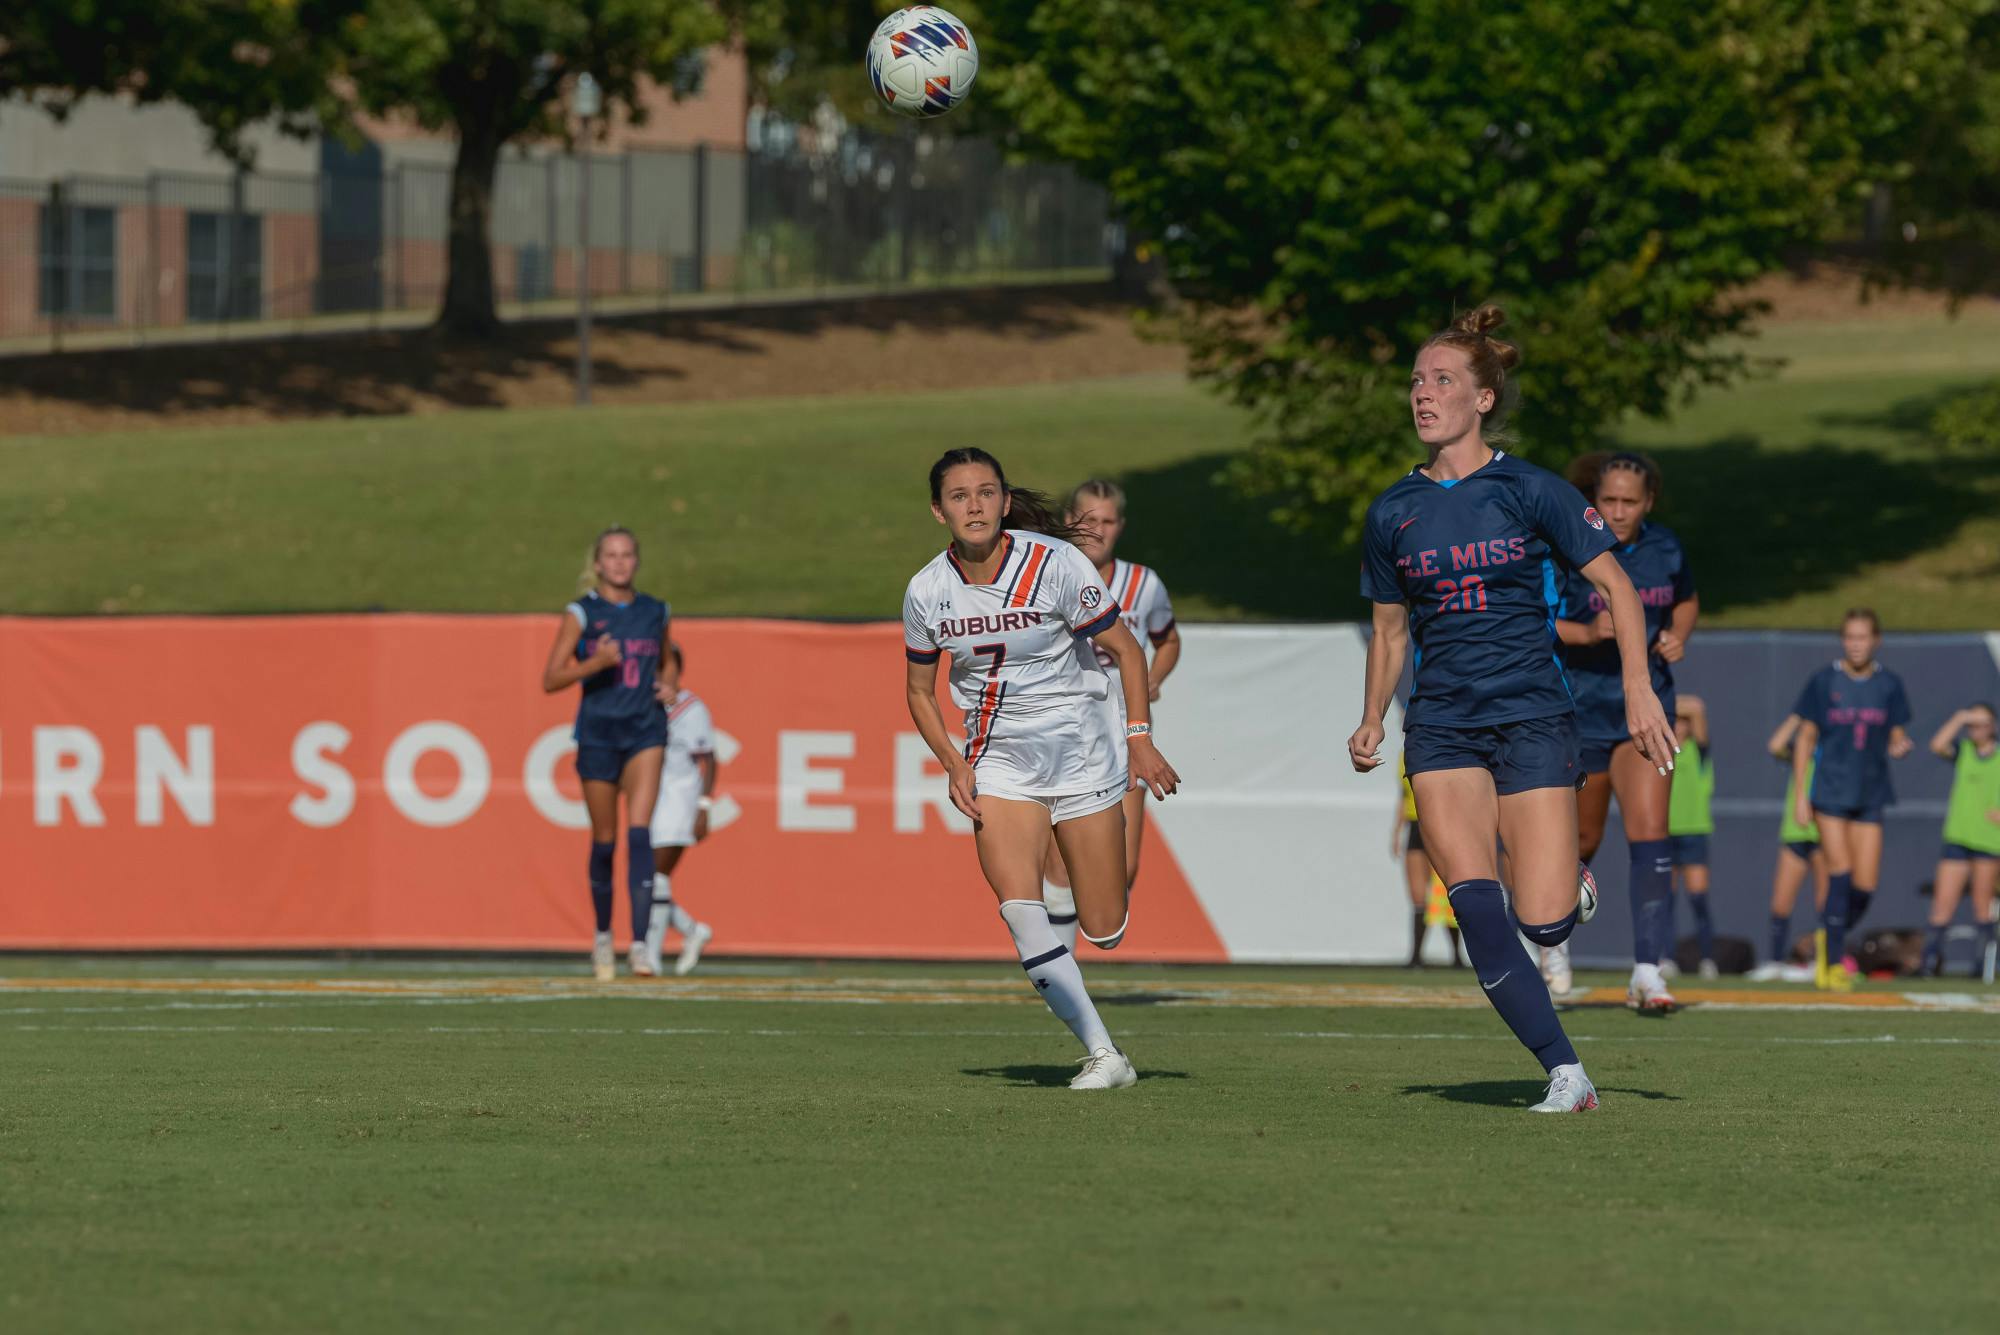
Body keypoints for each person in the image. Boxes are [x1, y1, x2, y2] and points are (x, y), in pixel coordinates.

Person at [1349, 305, 1676, 1115]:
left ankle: (1567, 892)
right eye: (1417, 380)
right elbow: (1389, 631)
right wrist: (1372, 716)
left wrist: (1638, 687)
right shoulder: (1392, 511)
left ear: (1484, 398)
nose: (1424, 393)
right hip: (1442, 725)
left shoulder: (1532, 488)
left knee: (1546, 920)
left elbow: (1618, 587)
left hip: (1532, 714)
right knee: (1476, 906)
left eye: (1443, 380)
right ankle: (1566, 1072)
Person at [903, 447, 1181, 1091]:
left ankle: (1076, 908)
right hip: (1001, 762)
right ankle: (1104, 1054)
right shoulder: (926, 590)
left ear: (1005, 502)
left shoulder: (1054, 562)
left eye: (986, 492)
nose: (974, 505)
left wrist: (1140, 739)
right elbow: (919, 691)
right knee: (1018, 911)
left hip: (1083, 753)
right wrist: (953, 762)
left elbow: (1127, 649)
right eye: (959, 496)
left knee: (1105, 928)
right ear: (939, 511)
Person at [1550, 450, 1698, 1013]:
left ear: (1648, 502)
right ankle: (1551, 946)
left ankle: (1647, 972)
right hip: (1581, 712)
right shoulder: (1568, 545)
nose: (1617, 510)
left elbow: (1686, 601)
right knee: (1581, 841)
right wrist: (1586, 632)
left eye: (1629, 501)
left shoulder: (1666, 549)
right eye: (1608, 499)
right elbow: (1538, 619)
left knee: (1652, 834)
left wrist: (1679, 634)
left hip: (1647, 711)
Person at [1039, 478, 1182, 949]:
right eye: (1088, 520)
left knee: (1124, 867)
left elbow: (1167, 640)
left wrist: (1155, 676)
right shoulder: (1046, 574)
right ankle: (1059, 969)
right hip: (1064, 731)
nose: (1098, 530)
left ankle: (1070, 945)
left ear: (1120, 525)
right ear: (1068, 520)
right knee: (1061, 863)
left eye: (1107, 521)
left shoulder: (1143, 583)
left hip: (1124, 734)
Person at [540, 527, 668, 982]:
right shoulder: (582, 613)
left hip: (645, 731)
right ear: (597, 564)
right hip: (598, 735)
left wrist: (670, 685)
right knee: (605, 841)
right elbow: (551, 678)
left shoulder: (655, 610)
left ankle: (641, 945)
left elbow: (668, 660)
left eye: (626, 554)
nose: (619, 563)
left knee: (640, 834)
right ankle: (602, 934)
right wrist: (596, 663)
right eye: (611, 555)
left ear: (637, 560)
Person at [1788, 608, 1913, 991]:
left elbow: (1895, 731)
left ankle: (1828, 936)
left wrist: (1899, 743)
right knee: (1839, 875)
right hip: (1830, 791)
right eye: (1850, 637)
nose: (1856, 645)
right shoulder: (1824, 681)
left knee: (1865, 886)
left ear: (1876, 640)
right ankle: (1832, 963)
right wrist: (1801, 795)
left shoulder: (1889, 684)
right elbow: (1806, 738)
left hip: (1871, 792)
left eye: (1862, 637)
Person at [644, 644, 718, 977]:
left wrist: (703, 806)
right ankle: (691, 930)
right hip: (651, 800)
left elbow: (709, 759)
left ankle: (651, 955)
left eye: (665, 667)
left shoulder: (690, 708)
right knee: (645, 879)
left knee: (657, 877)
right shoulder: (645, 705)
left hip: (679, 799)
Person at [1921, 704, 2000, 977]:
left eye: (1982, 723)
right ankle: (1930, 962)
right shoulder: (1964, 751)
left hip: (1988, 841)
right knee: (1942, 904)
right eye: (1972, 725)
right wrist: (1960, 717)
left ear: (1993, 726)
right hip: (1958, 838)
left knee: (1982, 905)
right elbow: (1937, 745)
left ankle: (1983, 966)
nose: (1976, 729)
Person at [1761, 713, 1829, 972]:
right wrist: (1798, 716)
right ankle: (1775, 962)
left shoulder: (1831, 753)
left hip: (1824, 836)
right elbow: (1775, 745)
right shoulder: (1798, 752)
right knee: (1780, 904)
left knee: (1825, 904)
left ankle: (1821, 962)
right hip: (1795, 833)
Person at [1393, 755, 1462, 967]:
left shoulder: (1440, 749)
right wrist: (1396, 832)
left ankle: (1457, 957)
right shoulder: (1404, 756)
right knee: (1418, 895)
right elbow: (1404, 797)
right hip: (1415, 826)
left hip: (1439, 823)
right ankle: (1416, 957)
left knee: (1446, 889)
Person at [1666, 695, 1718, 978]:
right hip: (1667, 832)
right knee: (1667, 901)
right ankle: (1667, 958)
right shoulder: (1662, 753)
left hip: (1694, 833)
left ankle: (1707, 959)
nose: (1680, 726)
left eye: (1683, 722)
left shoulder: (1699, 753)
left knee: (1698, 899)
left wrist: (1660, 697)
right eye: (1675, 721)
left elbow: (1696, 707)